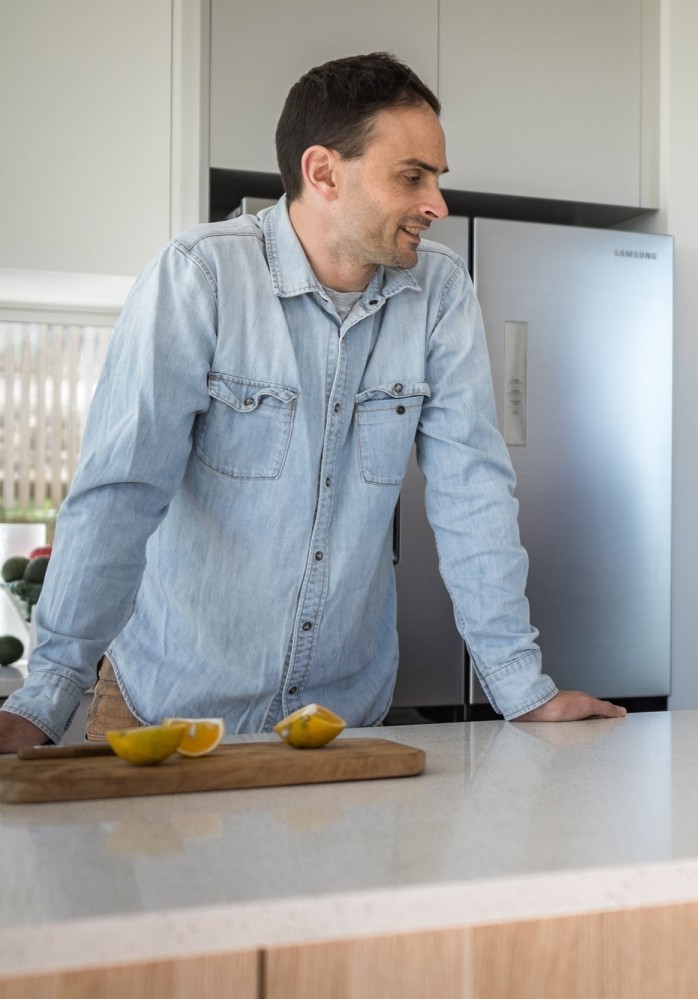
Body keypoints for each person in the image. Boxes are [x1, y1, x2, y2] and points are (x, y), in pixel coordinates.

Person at [0, 52, 622, 755]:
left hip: (340, 723)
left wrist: (521, 688)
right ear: (323, 172)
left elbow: (472, 492)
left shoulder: (440, 292)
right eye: (412, 177)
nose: (438, 206)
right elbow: (120, 493)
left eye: (437, 179)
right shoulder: (199, 276)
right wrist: (47, 694)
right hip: (166, 712)